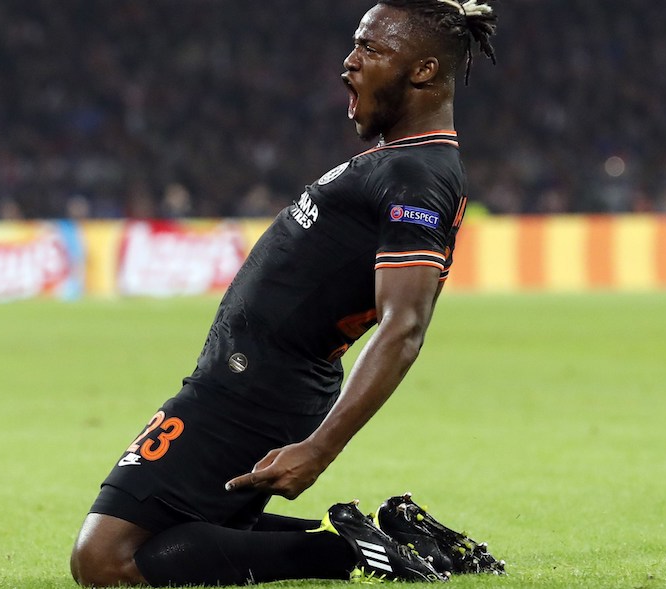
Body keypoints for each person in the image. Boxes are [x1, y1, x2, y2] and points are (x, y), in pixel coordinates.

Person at [70, 0, 499, 584]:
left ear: (423, 70)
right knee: (184, 529)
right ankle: (388, 541)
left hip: (254, 392)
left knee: (103, 560)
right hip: (247, 383)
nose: (349, 62)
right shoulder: (397, 163)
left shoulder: (417, 178)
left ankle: (353, 557)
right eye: (356, 44)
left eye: (371, 48)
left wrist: (320, 449)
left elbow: (404, 326)